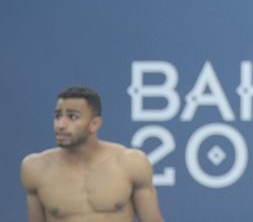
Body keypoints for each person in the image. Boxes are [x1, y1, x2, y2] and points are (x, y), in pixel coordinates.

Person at [20, 86, 165, 222]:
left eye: (72, 117)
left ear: (94, 124)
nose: (60, 125)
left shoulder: (131, 163)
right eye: (58, 116)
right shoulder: (35, 168)